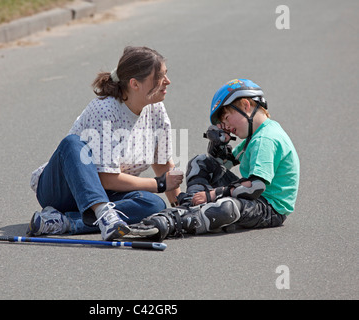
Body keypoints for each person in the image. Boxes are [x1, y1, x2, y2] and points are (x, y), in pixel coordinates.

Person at [27, 46, 183, 241]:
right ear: (135, 84)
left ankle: (65, 222)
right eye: (159, 76)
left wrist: (181, 209)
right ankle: (103, 216)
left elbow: (161, 163)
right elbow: (106, 178)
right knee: (72, 143)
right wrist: (158, 184)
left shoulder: (156, 109)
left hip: (109, 193)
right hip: (63, 191)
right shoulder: (105, 109)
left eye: (165, 74)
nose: (167, 81)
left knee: (154, 205)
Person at [130, 79, 300, 241]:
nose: (227, 126)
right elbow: (221, 165)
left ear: (246, 106)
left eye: (226, 118)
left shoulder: (265, 139)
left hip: (269, 207)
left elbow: (255, 187)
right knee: (201, 162)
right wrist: (218, 145)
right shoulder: (255, 136)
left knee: (227, 207)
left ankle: (178, 222)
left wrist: (213, 194)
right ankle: (190, 206)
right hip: (255, 196)